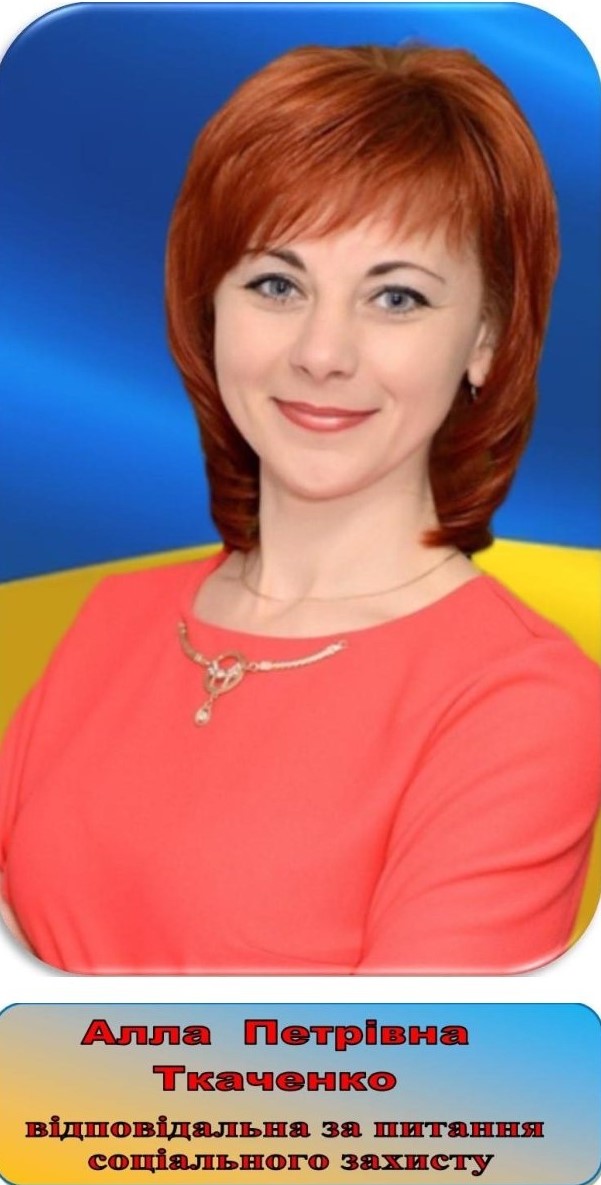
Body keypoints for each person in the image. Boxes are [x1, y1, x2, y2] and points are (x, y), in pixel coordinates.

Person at [0, 43, 599, 975]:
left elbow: (401, 1065)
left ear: (484, 338)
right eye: (276, 284)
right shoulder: (108, 622)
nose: (322, 353)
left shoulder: (522, 698)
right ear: (210, 306)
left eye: (395, 297)